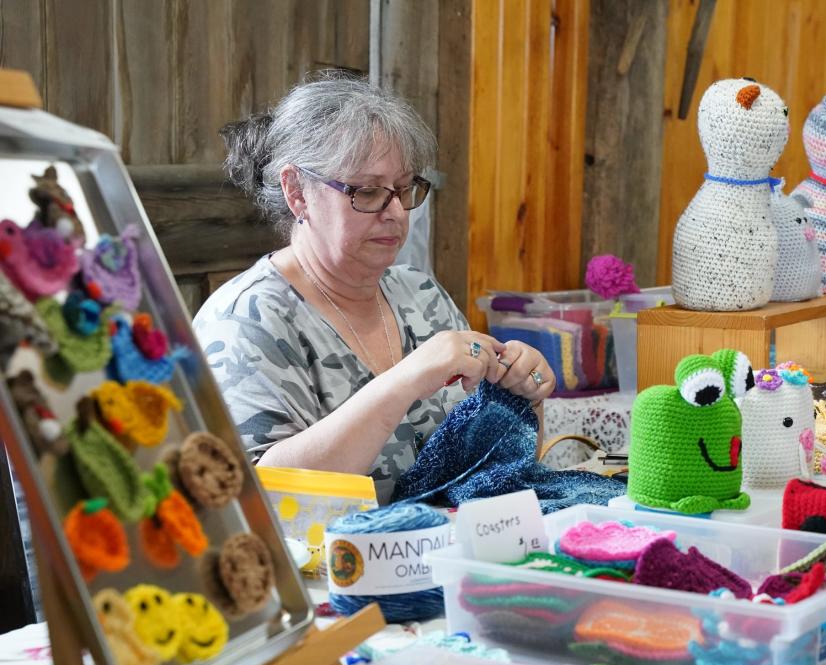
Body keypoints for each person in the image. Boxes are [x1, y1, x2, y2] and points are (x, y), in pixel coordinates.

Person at [193, 72, 556, 503]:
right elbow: (260, 496)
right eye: (366, 192)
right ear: (297, 192)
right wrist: (407, 378)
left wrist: (521, 395)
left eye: (404, 189)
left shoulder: (421, 296)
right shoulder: (245, 320)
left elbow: (495, 470)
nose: (396, 213)